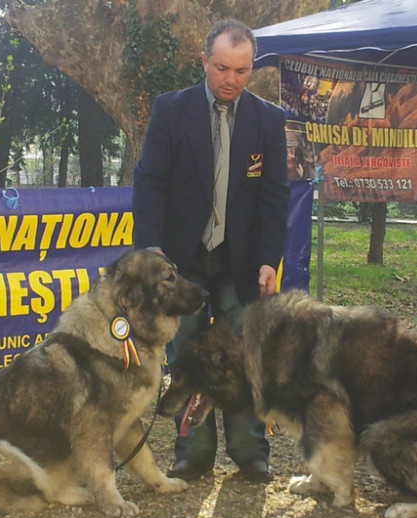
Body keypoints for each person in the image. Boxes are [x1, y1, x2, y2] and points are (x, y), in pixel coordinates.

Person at [132, 20, 290, 482]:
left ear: (251, 69)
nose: (231, 79)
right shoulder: (170, 110)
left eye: (242, 71)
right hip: (181, 264)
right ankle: (192, 453)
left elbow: (275, 196)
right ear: (204, 61)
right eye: (222, 67)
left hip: (241, 265)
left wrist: (268, 259)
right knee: (188, 359)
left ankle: (250, 451)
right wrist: (152, 249)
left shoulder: (268, 120)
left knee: (246, 357)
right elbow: (150, 183)